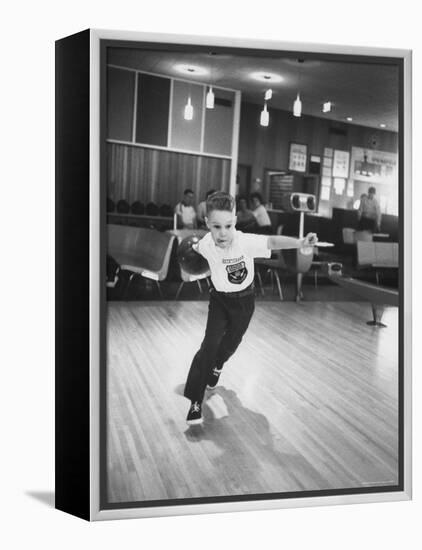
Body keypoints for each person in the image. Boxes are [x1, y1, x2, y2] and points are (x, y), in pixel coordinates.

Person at [183, 191, 318, 425]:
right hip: (219, 301)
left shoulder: (244, 241)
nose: (222, 233)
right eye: (216, 227)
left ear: (234, 221)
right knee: (209, 344)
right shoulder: (204, 244)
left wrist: (301, 243)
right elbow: (189, 258)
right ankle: (195, 400)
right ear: (207, 224)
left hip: (244, 302)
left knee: (231, 344)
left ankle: (218, 365)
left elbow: (273, 242)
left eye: (227, 225)